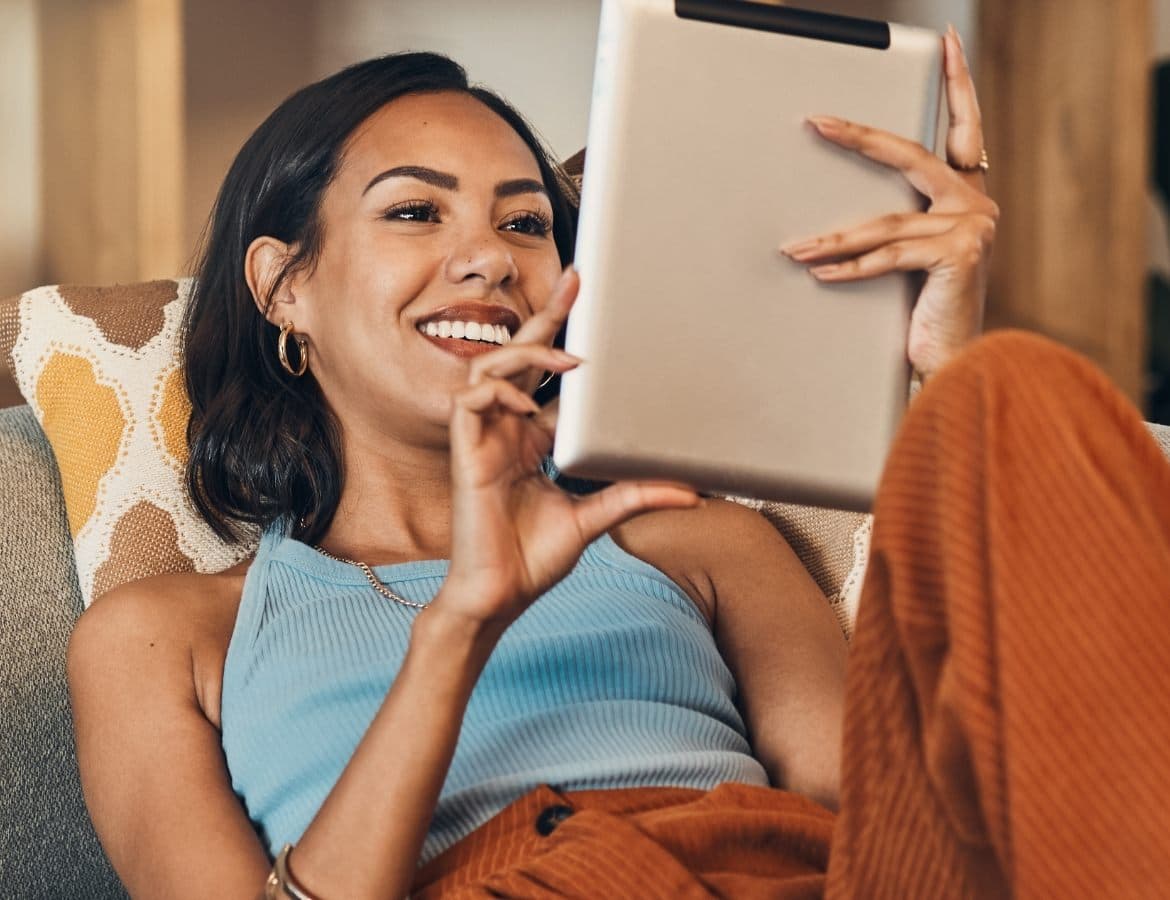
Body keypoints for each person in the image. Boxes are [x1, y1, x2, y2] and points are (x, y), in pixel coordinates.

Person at [65, 26, 1170, 900]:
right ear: (282, 286)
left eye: (527, 223)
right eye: (415, 210)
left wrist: (938, 379)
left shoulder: (694, 541)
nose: (489, 257)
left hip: (774, 870)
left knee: (1021, 388)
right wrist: (464, 619)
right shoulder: (165, 636)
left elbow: (885, 819)